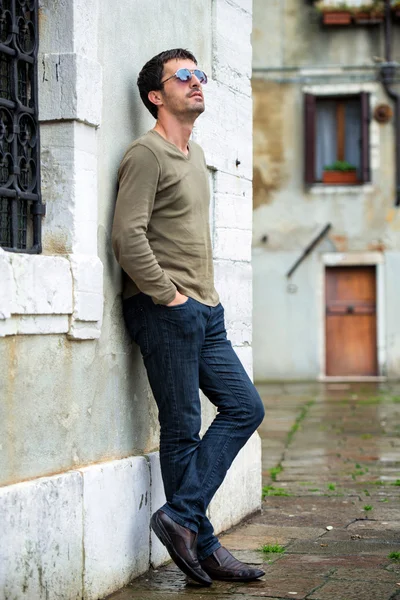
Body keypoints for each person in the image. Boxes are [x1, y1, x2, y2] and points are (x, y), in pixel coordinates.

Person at [112, 48, 265, 587]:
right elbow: (127, 236)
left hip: (206, 309)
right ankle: (205, 543)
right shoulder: (146, 154)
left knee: (246, 406)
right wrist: (168, 296)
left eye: (200, 74)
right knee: (182, 428)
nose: (198, 82)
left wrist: (205, 300)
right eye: (184, 76)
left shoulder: (194, 154)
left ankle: (182, 519)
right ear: (157, 95)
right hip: (166, 310)